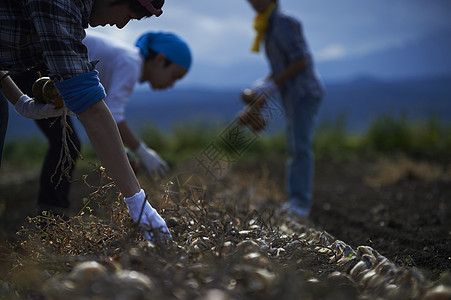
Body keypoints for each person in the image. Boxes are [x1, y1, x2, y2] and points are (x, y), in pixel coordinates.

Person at [0, 0, 171, 242]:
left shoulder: (76, 15)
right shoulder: (62, 3)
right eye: (129, 15)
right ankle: (51, 220)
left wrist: (19, 101)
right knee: (67, 143)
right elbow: (92, 107)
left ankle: (52, 220)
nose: (122, 25)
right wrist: (137, 202)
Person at [9, 30, 191, 220]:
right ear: (160, 60)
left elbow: (100, 113)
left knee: (67, 143)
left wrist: (123, 149)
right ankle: (52, 217)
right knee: (66, 144)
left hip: (42, 66)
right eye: (175, 76)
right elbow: (112, 114)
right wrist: (142, 151)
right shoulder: (131, 64)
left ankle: (53, 214)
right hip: (36, 65)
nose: (172, 84)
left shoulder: (127, 58)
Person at [244, 0, 324, 218]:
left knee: (300, 148)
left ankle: (300, 204)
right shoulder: (267, 24)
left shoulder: (283, 22)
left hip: (304, 93)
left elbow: (300, 61)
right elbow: (282, 66)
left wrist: (273, 84)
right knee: (295, 147)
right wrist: (265, 83)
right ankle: (295, 201)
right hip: (292, 95)